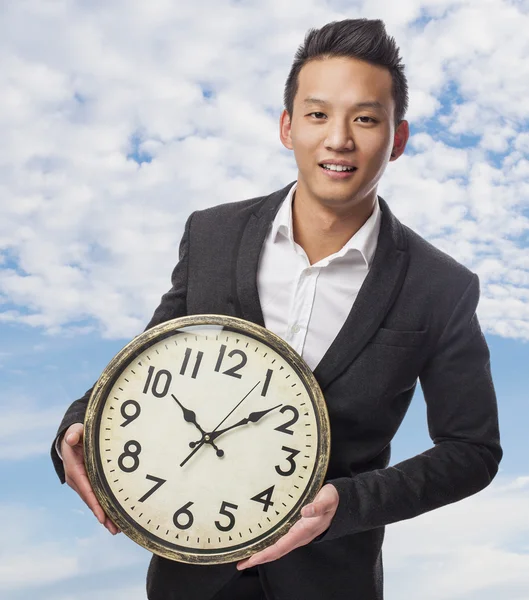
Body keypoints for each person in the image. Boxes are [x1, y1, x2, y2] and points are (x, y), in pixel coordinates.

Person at [51, 18, 502, 600]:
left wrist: (349, 504)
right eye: (317, 115)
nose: (338, 139)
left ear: (398, 138)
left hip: (330, 581)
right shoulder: (212, 235)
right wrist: (79, 421)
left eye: (364, 118)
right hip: (189, 580)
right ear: (287, 127)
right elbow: (151, 362)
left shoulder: (441, 286)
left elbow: (473, 450)